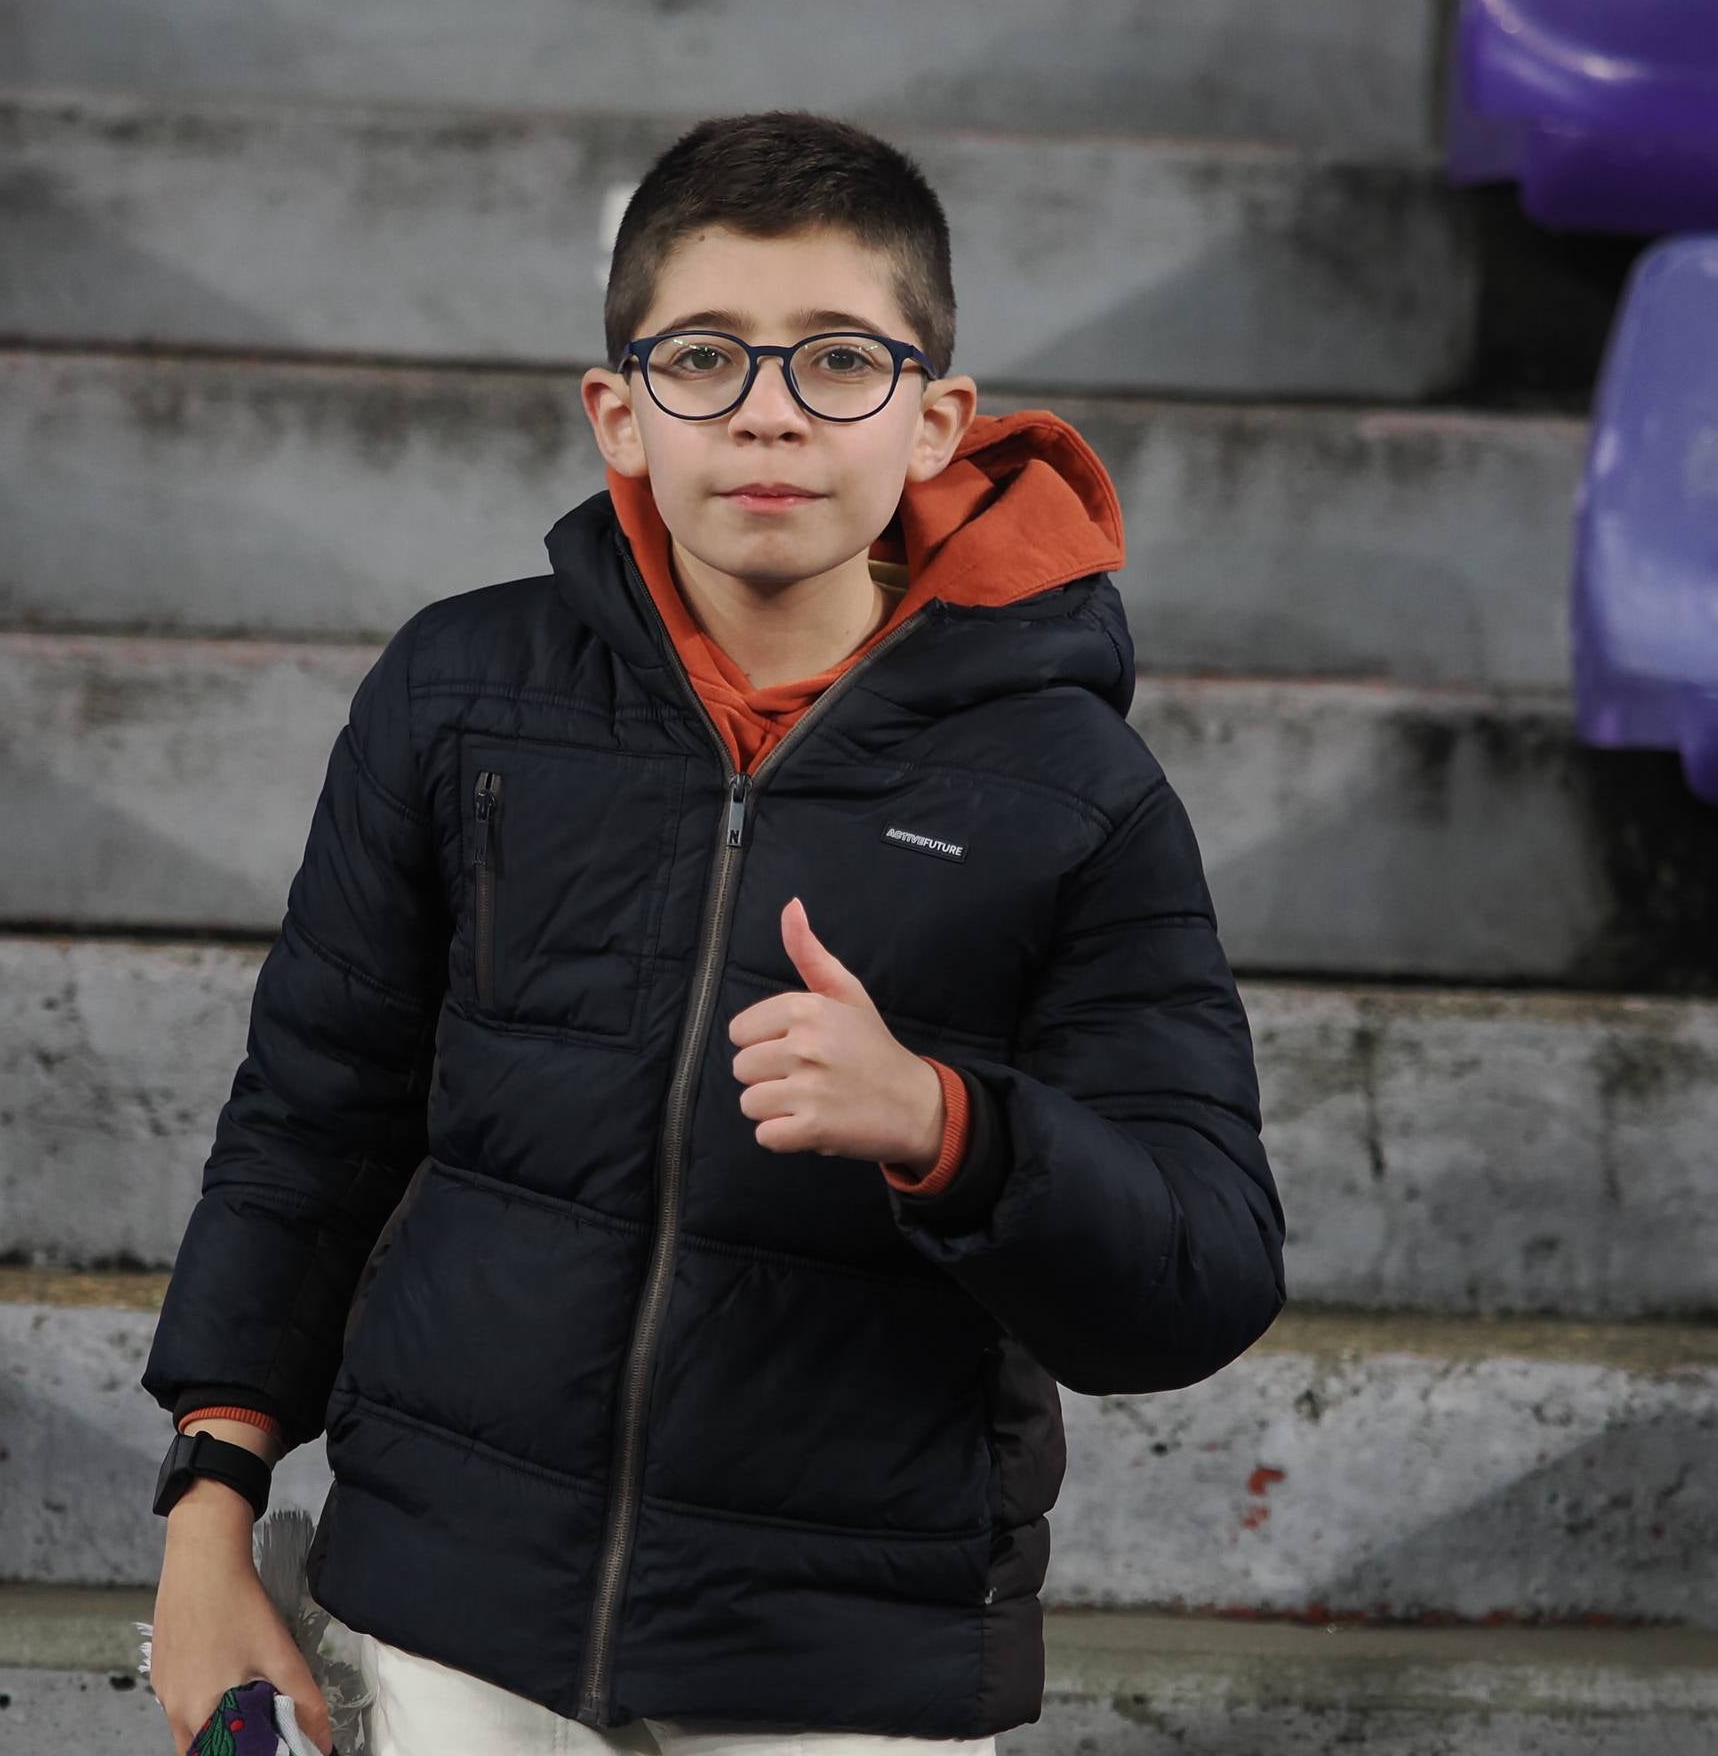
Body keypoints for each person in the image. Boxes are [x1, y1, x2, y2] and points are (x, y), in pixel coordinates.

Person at [143, 109, 1288, 1755]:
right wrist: (210, 1511)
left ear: (934, 418)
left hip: (851, 1648)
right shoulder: (460, 697)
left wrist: (948, 1128)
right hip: (457, 1605)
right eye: (704, 358)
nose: (766, 413)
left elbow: (1203, 1269)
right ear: (619, 411)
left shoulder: (1073, 789)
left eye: (837, 361)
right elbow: (310, 1123)